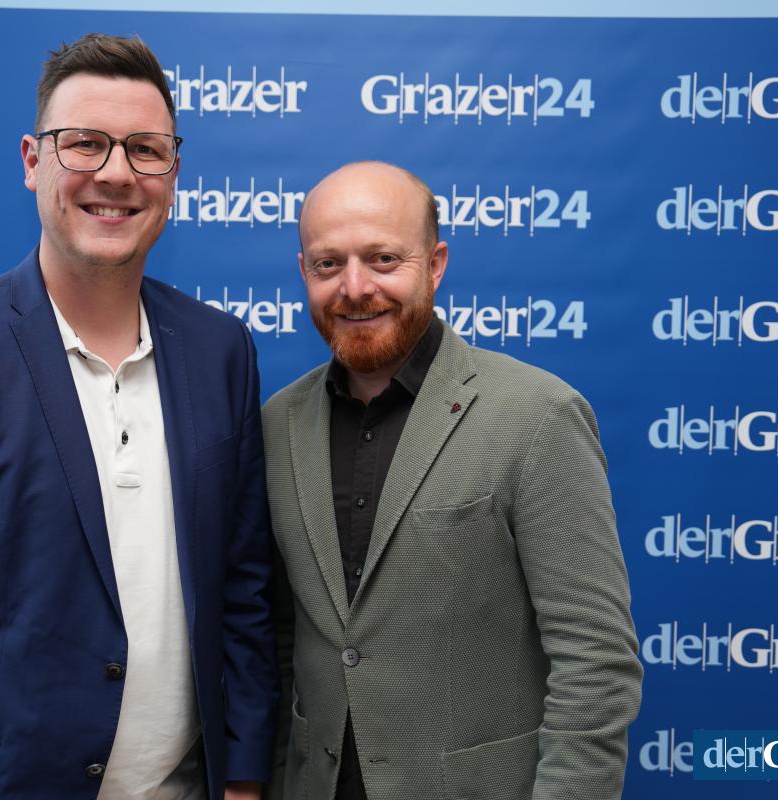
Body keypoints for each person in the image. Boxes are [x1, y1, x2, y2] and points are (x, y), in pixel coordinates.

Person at [0, 34, 277, 800]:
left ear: (173, 174)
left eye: (145, 150)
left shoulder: (220, 349)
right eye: (86, 143)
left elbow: (243, 591)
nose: (116, 173)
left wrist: (241, 778)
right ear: (33, 161)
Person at [262, 161, 642, 800]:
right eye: (329, 264)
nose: (354, 287)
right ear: (304, 272)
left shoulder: (537, 415)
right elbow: (278, 645)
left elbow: (596, 664)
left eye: (383, 259)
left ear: (435, 265)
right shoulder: (278, 424)